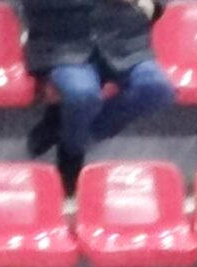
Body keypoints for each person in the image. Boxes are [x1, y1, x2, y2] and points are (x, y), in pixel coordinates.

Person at [19, 0, 176, 195]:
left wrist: (146, 4)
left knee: (158, 90)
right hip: (64, 43)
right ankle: (72, 152)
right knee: (81, 94)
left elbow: (157, 6)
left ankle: (71, 131)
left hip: (126, 43)